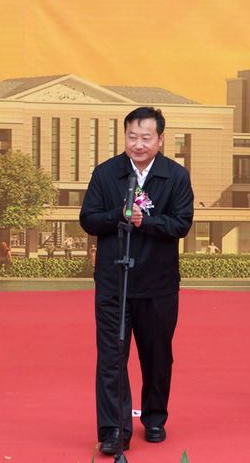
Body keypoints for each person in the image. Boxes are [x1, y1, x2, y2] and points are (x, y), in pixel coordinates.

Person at [80, 107, 194, 455]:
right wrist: (119, 215)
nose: (138, 144)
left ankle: (155, 417)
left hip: (158, 283)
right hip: (114, 281)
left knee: (157, 356)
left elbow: (182, 224)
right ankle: (114, 429)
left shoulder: (175, 176)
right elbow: (88, 218)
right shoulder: (107, 173)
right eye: (132, 137)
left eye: (146, 138)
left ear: (160, 139)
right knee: (111, 357)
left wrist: (148, 221)